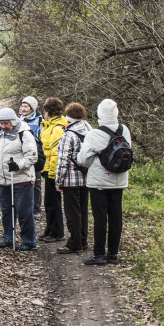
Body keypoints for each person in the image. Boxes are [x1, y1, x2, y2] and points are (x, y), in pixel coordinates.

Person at [77, 99, 131, 266]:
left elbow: (83, 159)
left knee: (100, 218)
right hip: (119, 181)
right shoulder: (125, 130)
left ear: (100, 114)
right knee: (116, 217)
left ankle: (99, 254)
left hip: (99, 182)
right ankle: (113, 254)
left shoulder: (94, 134)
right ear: (116, 113)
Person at [0, 108, 38, 251]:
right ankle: (8, 238)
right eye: (1, 123)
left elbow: (32, 156)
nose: (3, 126)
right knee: (6, 211)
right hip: (4, 180)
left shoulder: (24, 134)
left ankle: (29, 241)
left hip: (22, 179)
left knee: (24, 212)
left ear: (13, 121)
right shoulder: (2, 133)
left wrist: (18, 165)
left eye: (6, 123)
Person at [54, 102, 92, 254]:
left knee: (72, 213)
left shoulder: (68, 135)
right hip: (87, 177)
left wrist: (58, 181)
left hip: (71, 179)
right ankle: (83, 240)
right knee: (83, 210)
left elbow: (63, 161)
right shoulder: (89, 130)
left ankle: (74, 243)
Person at [40, 97, 67, 244]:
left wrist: (52, 173)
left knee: (53, 202)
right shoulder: (51, 126)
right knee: (48, 202)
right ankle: (50, 229)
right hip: (48, 169)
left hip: (53, 171)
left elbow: (56, 152)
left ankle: (57, 232)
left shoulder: (56, 128)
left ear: (48, 111)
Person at [19, 96, 44, 220]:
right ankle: (25, 207)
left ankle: (36, 210)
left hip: (36, 155)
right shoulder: (18, 120)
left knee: (36, 183)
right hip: (22, 155)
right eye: (22, 106)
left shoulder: (40, 121)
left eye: (25, 106)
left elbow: (42, 138)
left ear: (32, 108)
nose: (22, 109)